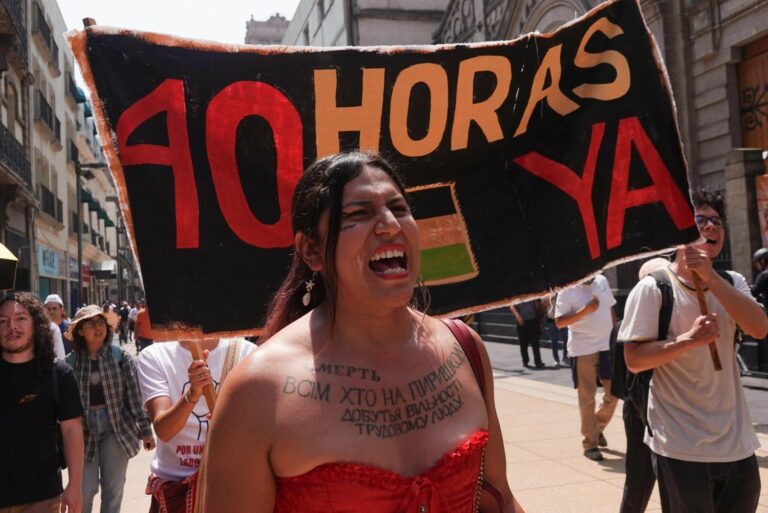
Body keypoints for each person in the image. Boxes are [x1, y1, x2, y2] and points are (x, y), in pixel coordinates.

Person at [199, 151, 525, 513]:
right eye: (359, 214)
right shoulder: (258, 390)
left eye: (399, 208)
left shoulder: (464, 349)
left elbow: (501, 499)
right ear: (311, 251)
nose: (390, 225)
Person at [621, 190, 768, 513]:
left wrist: (710, 277)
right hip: (680, 444)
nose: (711, 227)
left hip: (736, 442)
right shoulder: (653, 288)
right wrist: (687, 340)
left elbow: (759, 327)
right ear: (679, 232)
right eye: (700, 220)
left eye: (717, 221)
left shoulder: (732, 282)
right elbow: (634, 359)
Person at [137, 337, 255, 513]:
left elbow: (259, 429)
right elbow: (164, 431)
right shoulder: (155, 356)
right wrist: (192, 394)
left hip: (228, 486)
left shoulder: (247, 352)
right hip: (174, 488)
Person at [64, 305, 155, 513]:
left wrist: (145, 430)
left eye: (100, 322)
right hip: (83, 433)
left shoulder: (120, 357)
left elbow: (134, 396)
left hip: (116, 428)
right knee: (85, 489)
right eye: (90, 324)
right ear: (80, 331)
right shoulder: (70, 363)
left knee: (113, 490)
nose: (97, 327)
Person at [0, 292, 84, 513]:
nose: (11, 326)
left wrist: (75, 486)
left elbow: (72, 430)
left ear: (36, 324)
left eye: (20, 318)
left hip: (42, 498)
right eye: (3, 320)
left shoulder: (59, 374)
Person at [555, 273, 618, 461]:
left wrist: (616, 336)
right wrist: (585, 311)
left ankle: (596, 428)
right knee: (587, 397)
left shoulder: (602, 280)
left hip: (607, 346)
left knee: (614, 392)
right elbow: (560, 322)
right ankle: (590, 443)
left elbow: (611, 309)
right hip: (583, 349)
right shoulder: (567, 288)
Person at [510, 299, 545, 368]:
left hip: (533, 320)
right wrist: (518, 316)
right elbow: (512, 306)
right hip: (522, 322)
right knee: (523, 343)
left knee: (535, 342)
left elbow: (538, 306)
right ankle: (525, 361)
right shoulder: (517, 296)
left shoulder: (531, 294)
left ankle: (538, 362)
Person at [543, 294, 568, 367]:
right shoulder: (548, 294)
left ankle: (565, 357)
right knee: (554, 340)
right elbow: (543, 304)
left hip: (562, 318)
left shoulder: (562, 293)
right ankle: (556, 360)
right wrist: (551, 297)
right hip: (552, 320)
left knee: (566, 338)